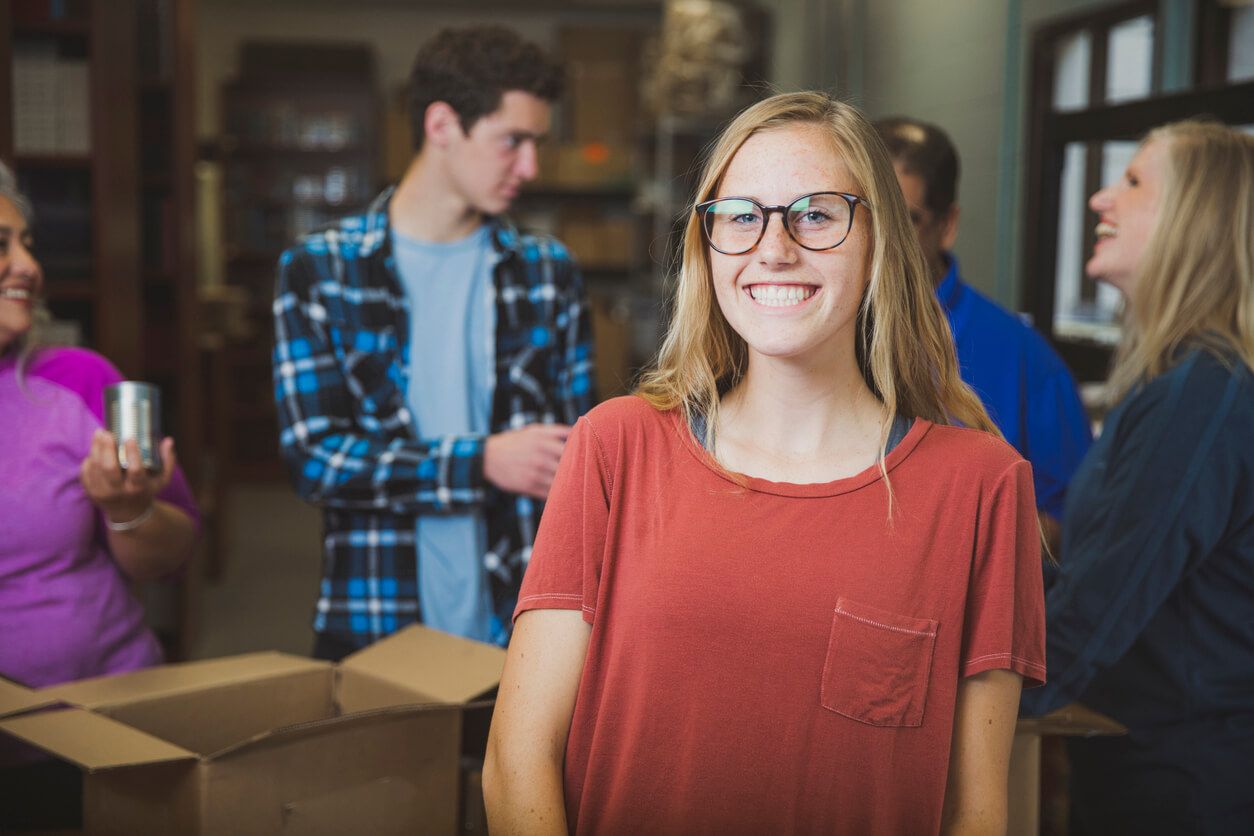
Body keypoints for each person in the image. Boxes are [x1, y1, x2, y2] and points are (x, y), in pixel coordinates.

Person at [484, 92, 1045, 834]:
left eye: (815, 213)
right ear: (706, 247)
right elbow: (518, 759)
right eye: (741, 216)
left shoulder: (981, 487)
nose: (772, 248)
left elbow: (975, 812)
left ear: (881, 242)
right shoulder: (615, 448)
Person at [273, 26, 595, 660]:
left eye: (536, 144)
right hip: (376, 614)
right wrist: (480, 462)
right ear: (443, 125)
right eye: (513, 141)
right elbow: (315, 461)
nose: (530, 168)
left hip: (520, 621)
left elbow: (580, 459)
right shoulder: (321, 269)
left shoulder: (548, 271)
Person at [1019, 121, 1254, 834]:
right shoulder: (1185, 384)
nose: (1099, 199)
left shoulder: (1203, 395)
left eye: (1132, 182)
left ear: (1196, 219)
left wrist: (959, 715)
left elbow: (1095, 608)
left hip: (1184, 789)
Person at [0, 162, 199, 827]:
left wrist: (130, 509)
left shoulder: (80, 380)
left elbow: (173, 551)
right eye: (2, 245)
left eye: (27, 243)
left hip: (106, 723)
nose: (27, 265)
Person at [875, 117, 1091, 549]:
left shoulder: (1023, 359)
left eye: (905, 221)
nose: (880, 240)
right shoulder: (809, 335)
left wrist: (949, 534)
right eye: (861, 213)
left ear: (947, 225)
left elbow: (1077, 525)